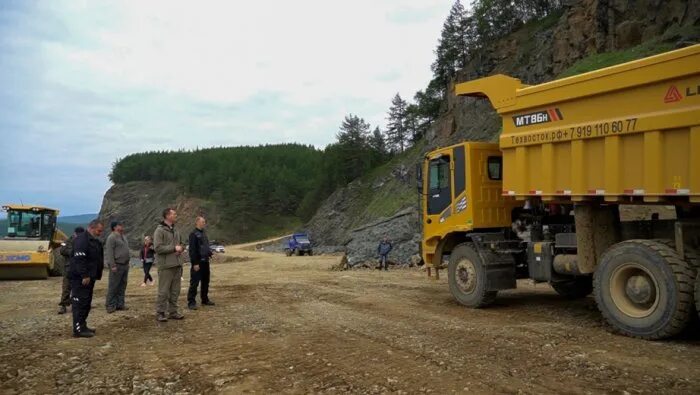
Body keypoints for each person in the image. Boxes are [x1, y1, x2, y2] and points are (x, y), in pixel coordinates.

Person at [69, 219, 104, 338]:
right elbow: (80, 259)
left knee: (86, 303)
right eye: (99, 230)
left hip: (90, 277)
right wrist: (84, 275)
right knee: (79, 303)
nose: (100, 233)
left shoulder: (92, 240)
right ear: (92, 227)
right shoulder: (82, 240)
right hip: (80, 279)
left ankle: (83, 325)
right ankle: (78, 330)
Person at [154, 207, 185, 322]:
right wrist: (173, 248)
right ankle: (160, 312)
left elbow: (182, 243)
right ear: (167, 216)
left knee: (175, 291)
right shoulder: (159, 230)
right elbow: (157, 248)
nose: (176, 216)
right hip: (166, 266)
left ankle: (173, 312)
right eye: (174, 214)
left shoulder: (176, 230)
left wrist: (181, 248)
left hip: (177, 264)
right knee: (163, 291)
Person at [187, 216, 215, 310]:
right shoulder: (193, 234)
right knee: (194, 283)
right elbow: (192, 250)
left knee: (205, 282)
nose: (204, 223)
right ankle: (191, 302)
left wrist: (210, 253)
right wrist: (195, 263)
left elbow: (205, 246)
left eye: (204, 222)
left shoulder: (203, 233)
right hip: (198, 262)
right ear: (197, 222)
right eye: (203, 221)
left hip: (205, 262)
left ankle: (205, 299)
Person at [104, 221, 131, 313]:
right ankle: (110, 305)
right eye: (120, 225)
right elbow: (110, 252)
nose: (122, 226)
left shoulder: (123, 236)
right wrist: (112, 265)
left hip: (125, 265)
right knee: (113, 286)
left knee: (122, 285)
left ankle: (120, 304)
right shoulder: (111, 237)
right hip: (117, 265)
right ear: (115, 227)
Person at [57, 226, 85, 314]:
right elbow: (62, 250)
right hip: (69, 268)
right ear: (75, 234)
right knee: (66, 287)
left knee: (78, 288)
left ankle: (76, 305)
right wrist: (73, 252)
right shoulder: (67, 241)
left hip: (79, 268)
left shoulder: (84, 241)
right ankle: (63, 305)